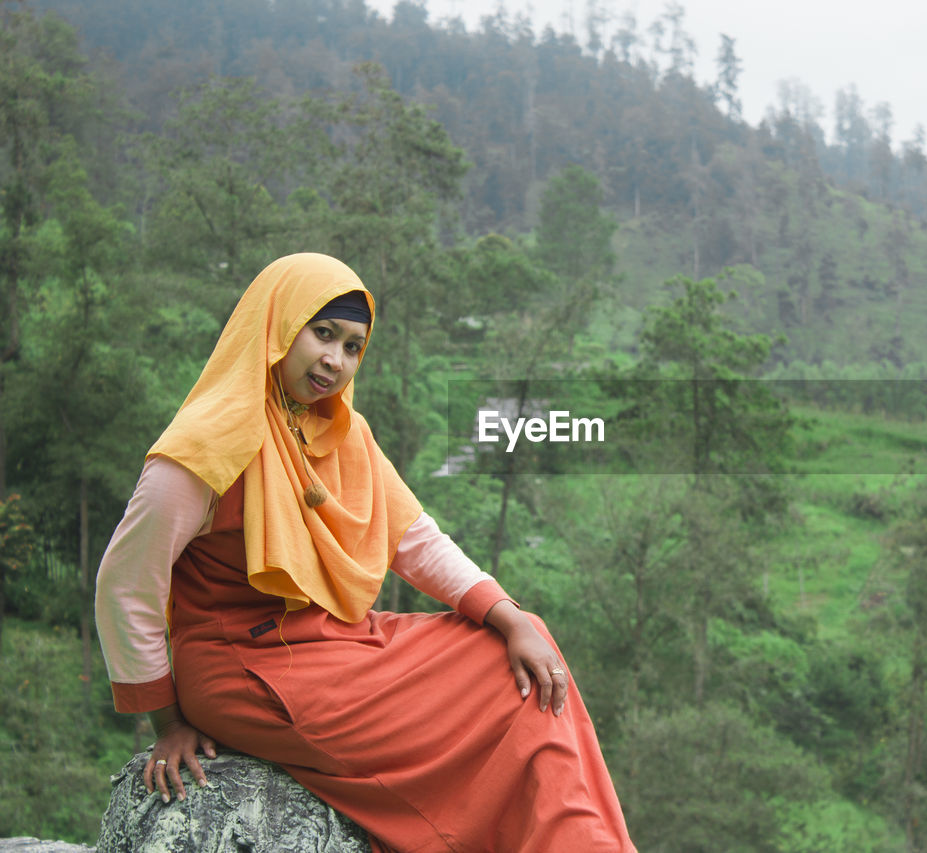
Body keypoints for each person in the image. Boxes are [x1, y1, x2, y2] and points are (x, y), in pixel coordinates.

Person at [95, 253, 635, 852]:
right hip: (245, 669)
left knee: (523, 657)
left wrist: (509, 615)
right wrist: (166, 722)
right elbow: (126, 585)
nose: (335, 360)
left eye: (353, 346)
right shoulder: (201, 452)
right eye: (322, 334)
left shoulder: (342, 433)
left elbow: (415, 539)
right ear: (276, 325)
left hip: (333, 641)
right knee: (491, 714)